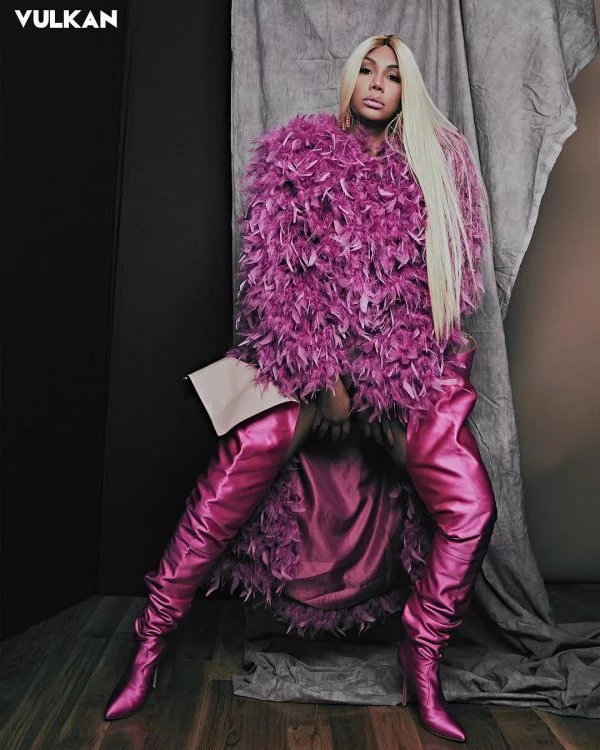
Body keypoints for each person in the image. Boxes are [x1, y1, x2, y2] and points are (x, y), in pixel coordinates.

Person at [104, 34, 497, 743]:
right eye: (366, 70)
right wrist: (327, 377)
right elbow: (273, 284)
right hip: (308, 365)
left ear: (406, 93)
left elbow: (442, 295)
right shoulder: (297, 156)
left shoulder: (433, 171)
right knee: (242, 464)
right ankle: (151, 641)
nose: (376, 83)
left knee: (471, 505)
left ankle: (423, 653)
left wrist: (382, 375)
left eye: (392, 76)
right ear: (349, 79)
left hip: (401, 372)